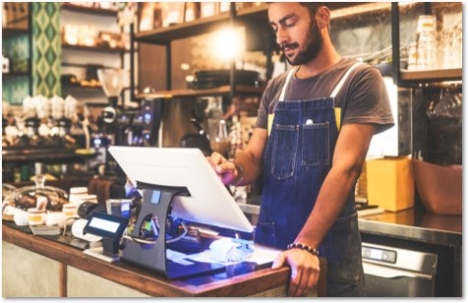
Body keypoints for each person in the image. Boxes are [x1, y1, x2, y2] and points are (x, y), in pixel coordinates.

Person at [207, 2, 394, 297]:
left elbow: (345, 169)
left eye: (289, 22)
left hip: (327, 258)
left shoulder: (359, 79)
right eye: (275, 27)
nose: (281, 36)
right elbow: (254, 156)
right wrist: (233, 171)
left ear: (322, 17)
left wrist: (306, 244)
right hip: (271, 253)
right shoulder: (276, 88)